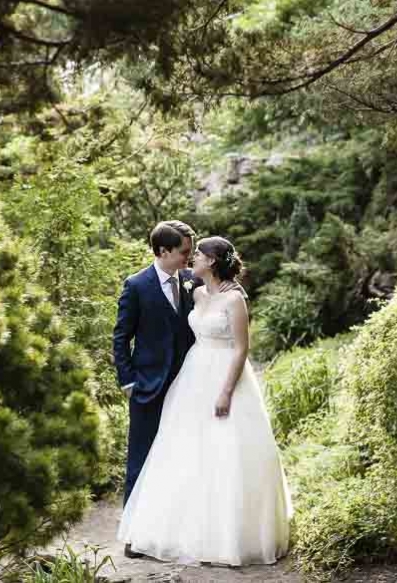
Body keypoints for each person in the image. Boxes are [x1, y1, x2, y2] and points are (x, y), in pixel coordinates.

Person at [116, 236, 293, 566]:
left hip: (225, 376)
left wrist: (226, 391)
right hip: (192, 378)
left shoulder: (235, 299)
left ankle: (228, 537)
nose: (191, 258)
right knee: (185, 450)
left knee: (227, 452)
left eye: (197, 254)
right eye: (188, 252)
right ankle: (175, 528)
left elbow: (242, 348)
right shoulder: (194, 290)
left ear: (211, 261)